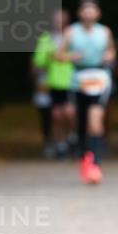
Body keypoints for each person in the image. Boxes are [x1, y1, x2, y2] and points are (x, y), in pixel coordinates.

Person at [57, 0, 117, 184]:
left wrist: (109, 56)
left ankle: (95, 163)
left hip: (99, 77)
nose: (89, 13)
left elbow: (112, 51)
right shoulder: (70, 32)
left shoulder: (105, 32)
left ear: (98, 13)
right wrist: (70, 56)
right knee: (81, 122)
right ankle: (85, 157)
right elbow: (58, 55)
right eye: (85, 10)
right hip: (78, 80)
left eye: (93, 10)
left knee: (95, 119)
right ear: (80, 13)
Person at [32, 9, 77, 158]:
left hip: (72, 81)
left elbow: (82, 56)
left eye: (62, 18)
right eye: (56, 18)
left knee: (70, 113)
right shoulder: (46, 38)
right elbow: (39, 62)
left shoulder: (74, 36)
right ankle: (61, 144)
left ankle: (72, 136)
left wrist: (62, 56)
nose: (59, 21)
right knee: (56, 116)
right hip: (53, 81)